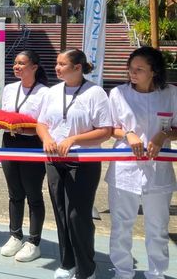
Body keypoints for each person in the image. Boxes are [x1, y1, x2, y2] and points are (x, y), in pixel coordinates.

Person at [36, 49, 112, 279]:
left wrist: (74, 139)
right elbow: (41, 123)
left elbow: (105, 131)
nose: (57, 68)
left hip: (83, 162)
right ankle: (67, 262)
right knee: (60, 213)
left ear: (78, 68)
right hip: (54, 162)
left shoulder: (95, 93)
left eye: (62, 64)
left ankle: (86, 268)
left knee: (77, 216)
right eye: (56, 63)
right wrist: (48, 138)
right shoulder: (52, 92)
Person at [105, 46, 177, 279]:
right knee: (121, 225)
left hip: (158, 171)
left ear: (154, 71)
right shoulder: (118, 93)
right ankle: (122, 272)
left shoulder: (171, 94)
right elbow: (110, 128)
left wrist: (163, 135)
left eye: (139, 69)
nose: (132, 73)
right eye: (130, 68)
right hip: (125, 170)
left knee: (157, 227)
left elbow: (175, 128)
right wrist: (128, 134)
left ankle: (156, 273)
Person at [0, 50, 49, 261]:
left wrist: (26, 130)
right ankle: (15, 235)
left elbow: (45, 123)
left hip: (33, 144)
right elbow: (5, 115)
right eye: (15, 63)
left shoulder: (45, 93)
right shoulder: (10, 89)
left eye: (21, 63)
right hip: (9, 142)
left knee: (33, 194)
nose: (16, 66)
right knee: (14, 192)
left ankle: (34, 241)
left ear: (34, 67)